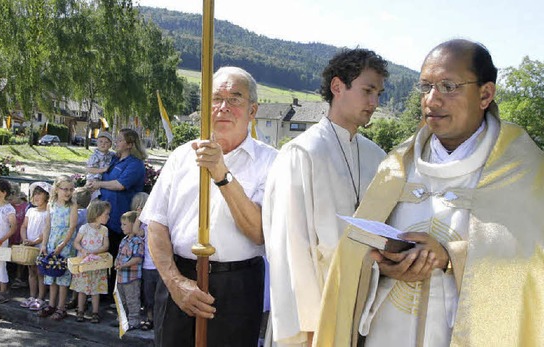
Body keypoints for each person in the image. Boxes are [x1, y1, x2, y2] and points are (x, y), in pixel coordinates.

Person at [314, 39, 544, 347]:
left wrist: (451, 257)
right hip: (386, 331)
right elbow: (353, 257)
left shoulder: (522, 167)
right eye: (426, 87)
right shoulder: (397, 164)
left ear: (485, 94)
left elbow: (533, 265)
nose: (432, 101)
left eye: (448, 87)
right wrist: (379, 263)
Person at [140, 66, 278, 346]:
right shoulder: (181, 156)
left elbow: (260, 233)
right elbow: (156, 223)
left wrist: (221, 174)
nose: (223, 107)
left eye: (235, 99)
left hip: (237, 287)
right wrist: (175, 283)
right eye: (216, 99)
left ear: (253, 110)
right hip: (178, 279)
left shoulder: (272, 162)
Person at [262, 48, 389, 346]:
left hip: (366, 305)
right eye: (367, 90)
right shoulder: (301, 153)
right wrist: (306, 328)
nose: (374, 103)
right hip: (315, 312)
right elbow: (289, 248)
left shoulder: (378, 157)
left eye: (379, 94)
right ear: (337, 87)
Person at [87, 128, 146, 293]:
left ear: (129, 144)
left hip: (121, 218)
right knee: (101, 253)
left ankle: (114, 293)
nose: (116, 142)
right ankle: (98, 290)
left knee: (116, 254)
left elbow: (120, 184)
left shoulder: (135, 164)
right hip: (104, 215)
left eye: (120, 140)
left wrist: (99, 185)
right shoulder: (114, 160)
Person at [38, 175, 78, 321]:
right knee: (51, 274)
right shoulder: (51, 204)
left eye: (70, 189)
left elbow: (72, 226)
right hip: (52, 242)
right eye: (64, 189)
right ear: (57, 189)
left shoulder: (72, 205)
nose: (67, 192)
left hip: (65, 243)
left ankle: (61, 307)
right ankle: (51, 304)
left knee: (62, 276)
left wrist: (62, 245)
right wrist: (44, 244)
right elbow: (48, 225)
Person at [71, 200, 110, 324]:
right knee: (82, 288)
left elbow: (106, 245)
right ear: (97, 214)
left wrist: (96, 252)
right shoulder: (84, 228)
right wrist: (83, 250)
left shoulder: (104, 230)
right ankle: (81, 310)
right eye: (106, 214)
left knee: (96, 288)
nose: (108, 217)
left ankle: (95, 312)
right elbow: (76, 242)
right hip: (84, 262)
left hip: (97, 263)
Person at [18, 182, 51, 310]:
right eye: (34, 194)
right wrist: (25, 239)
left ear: (46, 196)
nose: (36, 197)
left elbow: (46, 230)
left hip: (40, 246)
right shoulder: (30, 211)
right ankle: (32, 296)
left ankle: (41, 298)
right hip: (30, 246)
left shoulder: (48, 212)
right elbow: (24, 226)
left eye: (39, 194)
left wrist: (36, 241)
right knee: (31, 271)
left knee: (40, 272)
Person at [114, 210, 144, 329]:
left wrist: (123, 265)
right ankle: (121, 318)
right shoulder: (124, 240)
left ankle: (134, 321)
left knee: (132, 300)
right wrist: (117, 262)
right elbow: (119, 254)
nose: (122, 227)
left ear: (133, 224)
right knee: (122, 300)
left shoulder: (137, 241)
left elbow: (137, 259)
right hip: (121, 277)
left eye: (125, 224)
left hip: (132, 277)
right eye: (122, 224)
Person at [132, 192, 156, 331]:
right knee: (148, 295)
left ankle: (158, 319)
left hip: (159, 266)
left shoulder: (157, 223)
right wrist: (140, 216)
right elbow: (135, 230)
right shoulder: (144, 227)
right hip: (148, 265)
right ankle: (149, 318)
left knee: (159, 295)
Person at [85, 131, 115, 200]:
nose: (103, 144)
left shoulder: (111, 155)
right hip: (93, 179)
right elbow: (89, 169)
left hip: (103, 181)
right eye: (100, 142)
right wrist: (103, 170)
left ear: (110, 145)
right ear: (97, 143)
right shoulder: (95, 156)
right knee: (93, 198)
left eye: (106, 142)